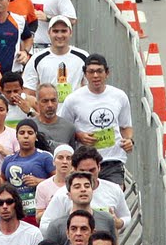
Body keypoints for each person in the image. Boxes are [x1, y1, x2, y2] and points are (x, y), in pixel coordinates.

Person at [57, 56, 133, 188]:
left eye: (99, 71)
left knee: (111, 203)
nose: (96, 75)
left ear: (107, 73)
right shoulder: (73, 99)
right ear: (85, 74)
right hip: (85, 162)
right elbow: (64, 128)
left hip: (112, 160)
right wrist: (79, 135)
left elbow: (126, 127)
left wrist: (129, 141)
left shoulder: (119, 96)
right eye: (91, 72)